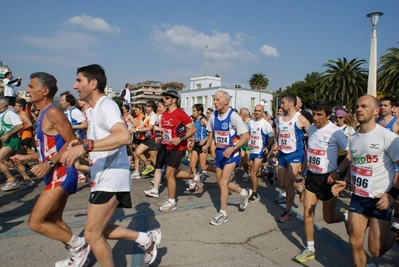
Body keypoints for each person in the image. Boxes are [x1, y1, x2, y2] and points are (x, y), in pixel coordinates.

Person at [60, 64, 161, 266]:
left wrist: (87, 146)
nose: (74, 85)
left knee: (92, 234)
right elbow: (105, 141)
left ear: (93, 83)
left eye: (79, 80)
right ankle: (145, 238)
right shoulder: (96, 109)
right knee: (96, 229)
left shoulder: (107, 106)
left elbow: (123, 136)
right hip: (103, 177)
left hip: (111, 178)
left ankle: (145, 239)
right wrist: (80, 144)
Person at [10, 72, 90, 267]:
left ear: (44, 91)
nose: (27, 91)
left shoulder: (53, 112)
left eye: (31, 87)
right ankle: (77, 255)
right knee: (54, 219)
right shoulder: (44, 114)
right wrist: (27, 157)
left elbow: (73, 141)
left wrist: (49, 164)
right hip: (55, 172)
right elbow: (49, 150)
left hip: (62, 173)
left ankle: (79, 246)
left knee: (36, 222)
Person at [332, 95, 399, 267]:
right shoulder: (353, 138)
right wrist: (345, 180)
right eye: (356, 106)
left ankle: (393, 234)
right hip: (359, 197)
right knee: (355, 242)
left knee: (376, 251)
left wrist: (392, 194)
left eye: (364, 106)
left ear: (376, 111)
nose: (358, 109)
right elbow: (354, 162)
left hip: (380, 199)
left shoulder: (388, 137)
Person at [294, 99, 350, 263]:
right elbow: (312, 150)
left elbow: (350, 155)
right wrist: (305, 164)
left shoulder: (336, 132)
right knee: (307, 213)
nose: (315, 118)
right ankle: (310, 248)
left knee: (328, 218)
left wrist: (338, 172)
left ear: (328, 115)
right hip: (312, 177)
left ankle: (347, 217)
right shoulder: (311, 128)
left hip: (328, 179)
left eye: (319, 115)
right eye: (314, 114)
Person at [202, 90, 251, 226]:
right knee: (220, 183)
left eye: (217, 100)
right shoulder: (213, 115)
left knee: (223, 183)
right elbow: (212, 132)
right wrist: (207, 144)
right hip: (219, 154)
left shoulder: (233, 116)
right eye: (214, 100)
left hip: (232, 154)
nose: (215, 102)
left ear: (226, 101)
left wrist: (233, 147)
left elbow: (246, 136)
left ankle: (223, 213)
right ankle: (243, 192)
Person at [155, 89, 197, 212]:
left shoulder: (180, 114)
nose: (164, 100)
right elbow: (168, 132)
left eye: (167, 98)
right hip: (168, 146)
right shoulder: (165, 114)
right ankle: (193, 177)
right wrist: (161, 138)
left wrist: (181, 138)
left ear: (174, 100)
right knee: (171, 173)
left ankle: (172, 201)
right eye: (164, 98)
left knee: (169, 174)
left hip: (179, 148)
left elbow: (192, 130)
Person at [276, 94, 310, 222]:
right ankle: (301, 188)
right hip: (282, 154)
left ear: (291, 104)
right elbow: (278, 134)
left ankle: (287, 211)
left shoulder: (300, 119)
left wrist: (308, 157)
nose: (281, 105)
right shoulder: (280, 118)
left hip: (295, 155)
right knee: (282, 183)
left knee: (289, 183)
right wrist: (275, 144)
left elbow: (312, 136)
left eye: (283, 102)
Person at [0, 97, 33, 191]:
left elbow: (20, 125)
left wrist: (9, 134)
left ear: (3, 105)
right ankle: (27, 180)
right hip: (6, 141)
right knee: (16, 161)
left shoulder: (10, 113)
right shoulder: (1, 115)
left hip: (12, 140)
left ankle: (11, 180)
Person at [248, 104, 274, 202]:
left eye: (259, 111)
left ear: (263, 112)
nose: (257, 112)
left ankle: (255, 194)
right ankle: (269, 174)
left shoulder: (265, 123)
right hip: (252, 150)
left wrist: (267, 147)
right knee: (253, 173)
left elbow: (271, 137)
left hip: (260, 151)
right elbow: (249, 135)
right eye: (255, 110)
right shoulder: (251, 122)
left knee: (253, 173)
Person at [132, 101, 159, 176]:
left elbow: (149, 128)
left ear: (152, 108)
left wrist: (136, 130)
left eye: (148, 106)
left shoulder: (154, 116)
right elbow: (142, 125)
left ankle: (160, 174)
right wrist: (133, 129)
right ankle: (148, 166)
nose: (146, 107)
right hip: (148, 138)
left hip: (154, 139)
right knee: (137, 152)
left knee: (153, 159)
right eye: (146, 106)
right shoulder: (147, 115)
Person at [238, 108, 252, 180]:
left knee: (248, 161)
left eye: (240, 112)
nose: (239, 114)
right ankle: (249, 174)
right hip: (242, 143)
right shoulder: (241, 121)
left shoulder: (250, 121)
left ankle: (253, 174)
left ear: (245, 114)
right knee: (243, 162)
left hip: (249, 143)